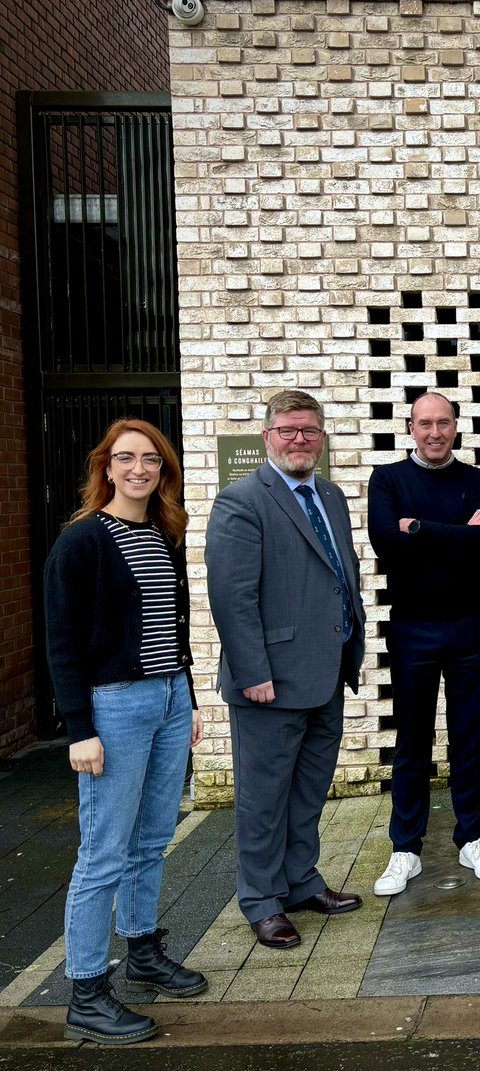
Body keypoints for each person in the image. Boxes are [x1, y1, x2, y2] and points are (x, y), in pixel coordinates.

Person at [44, 419, 206, 1044]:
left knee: (153, 837)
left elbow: (172, 622)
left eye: (151, 460)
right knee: (104, 850)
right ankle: (86, 989)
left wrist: (187, 696)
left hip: (167, 699)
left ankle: (142, 951)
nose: (138, 469)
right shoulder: (82, 543)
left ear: (163, 471)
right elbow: (61, 643)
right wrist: (78, 729)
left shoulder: (163, 533)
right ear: (105, 468)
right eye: (125, 459)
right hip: (113, 707)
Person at [206, 390, 366, 949]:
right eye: (288, 430)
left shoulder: (331, 495)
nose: (300, 440)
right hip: (269, 680)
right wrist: (252, 670)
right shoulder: (242, 501)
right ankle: (261, 899)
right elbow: (231, 597)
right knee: (263, 798)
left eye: (309, 431)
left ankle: (301, 882)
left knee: (308, 793)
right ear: (268, 436)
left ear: (322, 438)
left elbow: (338, 575)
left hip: (326, 672)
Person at [368, 392, 480, 896]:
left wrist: (419, 529)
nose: (434, 433)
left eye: (443, 423)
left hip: (468, 624)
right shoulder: (388, 480)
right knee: (412, 741)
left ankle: (472, 838)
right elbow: (387, 542)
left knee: (468, 737)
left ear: (456, 427)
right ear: (410, 427)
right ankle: (406, 847)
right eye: (425, 424)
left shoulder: (478, 481)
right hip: (412, 628)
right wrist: (455, 533)